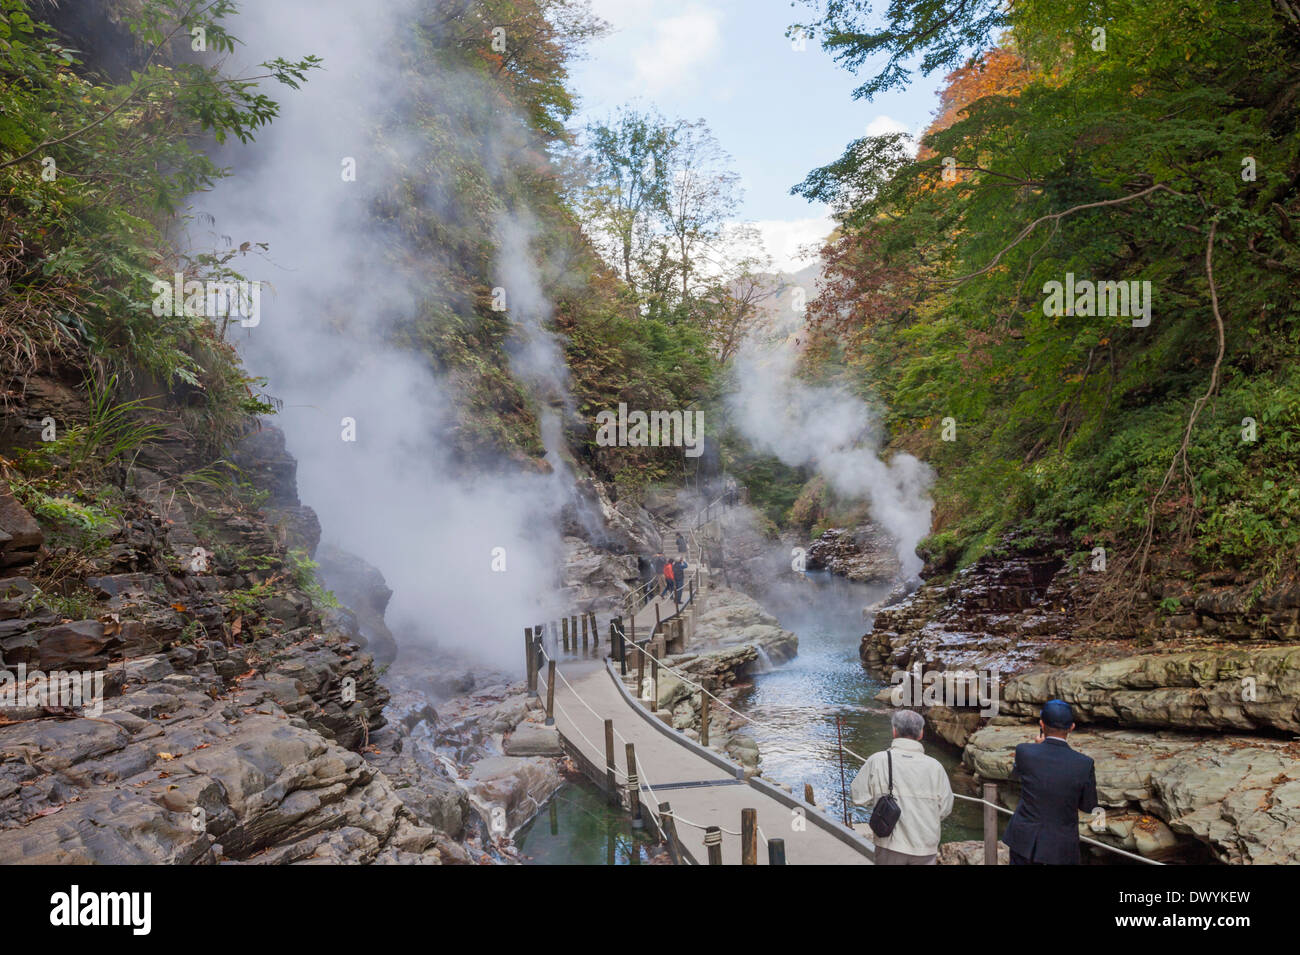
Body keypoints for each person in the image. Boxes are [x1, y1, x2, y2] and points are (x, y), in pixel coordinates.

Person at [1001, 699, 1098, 865]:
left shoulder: (1024, 751)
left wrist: (1038, 747)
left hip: (1024, 841)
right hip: (1060, 847)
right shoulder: (1084, 763)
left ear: (1041, 724)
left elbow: (1014, 777)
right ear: (1072, 728)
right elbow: (1088, 806)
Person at [850, 709, 952, 865]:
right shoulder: (936, 767)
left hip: (890, 844)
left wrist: (878, 800)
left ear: (894, 731)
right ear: (921, 734)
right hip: (925, 847)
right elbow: (945, 808)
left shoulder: (878, 760)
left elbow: (858, 797)